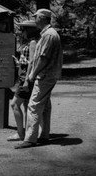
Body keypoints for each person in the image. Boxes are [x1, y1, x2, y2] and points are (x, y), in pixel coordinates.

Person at [15, 9, 63, 149]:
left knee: (34, 105)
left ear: (42, 18)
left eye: (36, 17)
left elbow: (43, 58)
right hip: (49, 75)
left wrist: (32, 74)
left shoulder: (48, 35)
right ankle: (44, 135)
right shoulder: (49, 34)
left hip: (45, 75)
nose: (34, 20)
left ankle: (30, 139)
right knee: (45, 105)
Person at [7, 20, 40, 141]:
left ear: (29, 31)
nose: (22, 32)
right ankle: (26, 132)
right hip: (23, 74)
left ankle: (20, 133)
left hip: (26, 77)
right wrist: (18, 62)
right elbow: (26, 60)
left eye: (24, 30)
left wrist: (27, 80)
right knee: (25, 105)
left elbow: (32, 62)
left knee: (14, 104)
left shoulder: (32, 43)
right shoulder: (30, 42)